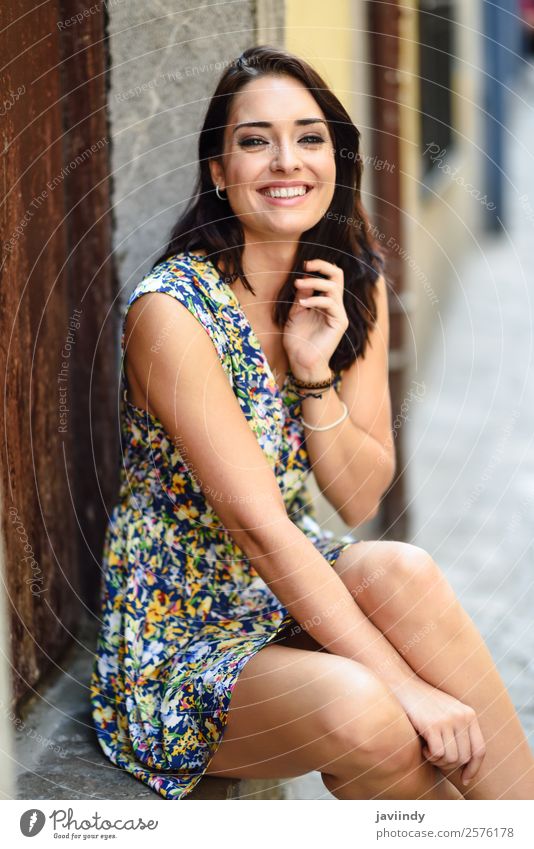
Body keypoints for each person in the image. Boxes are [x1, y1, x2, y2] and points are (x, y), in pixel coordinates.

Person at [90, 45, 534, 801]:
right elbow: (263, 530)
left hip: (281, 594)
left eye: (310, 136)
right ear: (218, 172)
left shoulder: (344, 277)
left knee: (404, 569)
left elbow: (357, 499)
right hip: (180, 636)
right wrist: (405, 684)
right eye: (255, 140)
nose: (285, 160)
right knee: (373, 710)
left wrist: (314, 374)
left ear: (337, 157)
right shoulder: (172, 315)